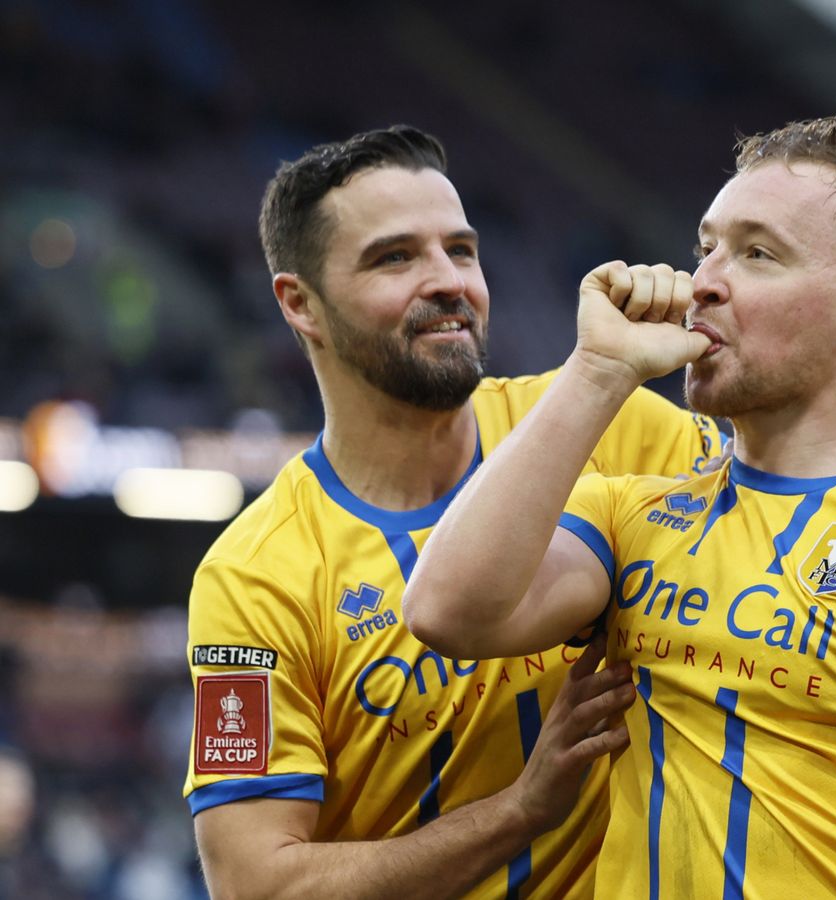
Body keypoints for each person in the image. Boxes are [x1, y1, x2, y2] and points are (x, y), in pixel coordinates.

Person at [404, 114, 836, 899]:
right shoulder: (633, 515)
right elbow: (446, 611)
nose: (702, 280)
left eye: (757, 254)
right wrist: (597, 370)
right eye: (706, 246)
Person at [183, 126, 724, 900]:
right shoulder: (254, 579)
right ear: (300, 304)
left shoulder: (615, 424)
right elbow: (257, 886)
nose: (448, 281)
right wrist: (518, 812)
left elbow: (807, 511)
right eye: (394, 258)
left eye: (461, 250)